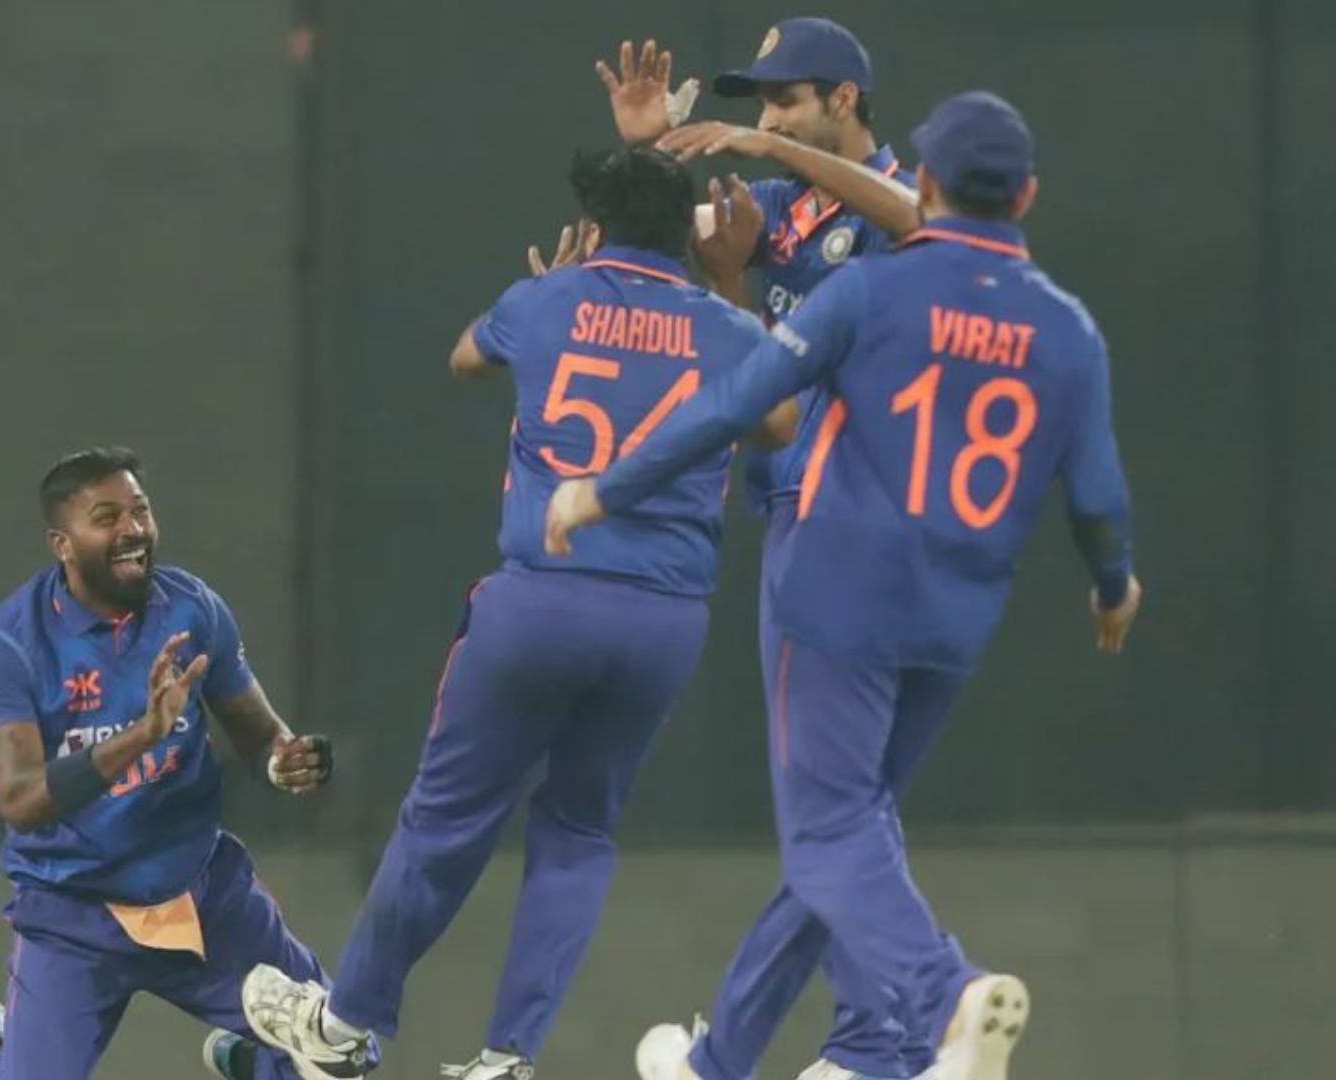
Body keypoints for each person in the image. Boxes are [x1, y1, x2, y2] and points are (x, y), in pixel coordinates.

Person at [548, 92, 1143, 1080]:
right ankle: (727, 1060)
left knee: (829, 835)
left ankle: (942, 1000)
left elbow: (736, 402)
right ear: (1027, 194)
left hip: (835, 592)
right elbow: (1099, 494)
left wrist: (604, 491)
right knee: (849, 834)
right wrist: (1114, 588)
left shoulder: (873, 291)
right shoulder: (1068, 330)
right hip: (955, 613)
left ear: (931, 186)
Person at [237, 146, 794, 1080]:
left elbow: (463, 358)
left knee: (446, 818)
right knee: (579, 830)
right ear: (684, 234)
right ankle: (509, 1056)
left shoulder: (549, 301)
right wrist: (729, 284)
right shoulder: (720, 326)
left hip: (542, 596)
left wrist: (564, 299)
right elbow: (779, 423)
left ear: (601, 225)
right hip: (662, 620)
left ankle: (345, 1022)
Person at [604, 24, 1022, 1080]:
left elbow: (928, 227)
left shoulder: (885, 192)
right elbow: (734, 348)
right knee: (841, 820)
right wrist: (655, 161)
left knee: (831, 820)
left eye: (787, 101)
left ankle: (880, 1026)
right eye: (762, 104)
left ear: (844, 98)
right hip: (818, 506)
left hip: (860, 523)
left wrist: (777, 152)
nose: (767, 119)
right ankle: (843, 1050)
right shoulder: (777, 212)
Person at [0, 447, 365, 1080]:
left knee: (343, 1056)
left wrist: (282, 760)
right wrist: (142, 734)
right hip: (77, 915)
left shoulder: (192, 609)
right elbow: (20, 799)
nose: (133, 529)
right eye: (107, 516)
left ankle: (253, 1055)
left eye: (141, 511)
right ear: (62, 544)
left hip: (201, 894)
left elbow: (258, 733)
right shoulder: (7, 645)